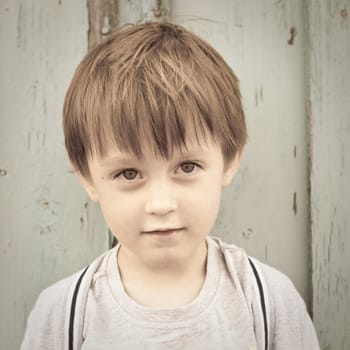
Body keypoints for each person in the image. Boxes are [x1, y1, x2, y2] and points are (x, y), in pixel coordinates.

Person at [21, 22, 320, 350]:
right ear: (88, 179)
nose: (161, 204)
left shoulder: (269, 302)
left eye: (187, 167)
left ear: (230, 160)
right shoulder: (61, 314)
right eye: (129, 174)